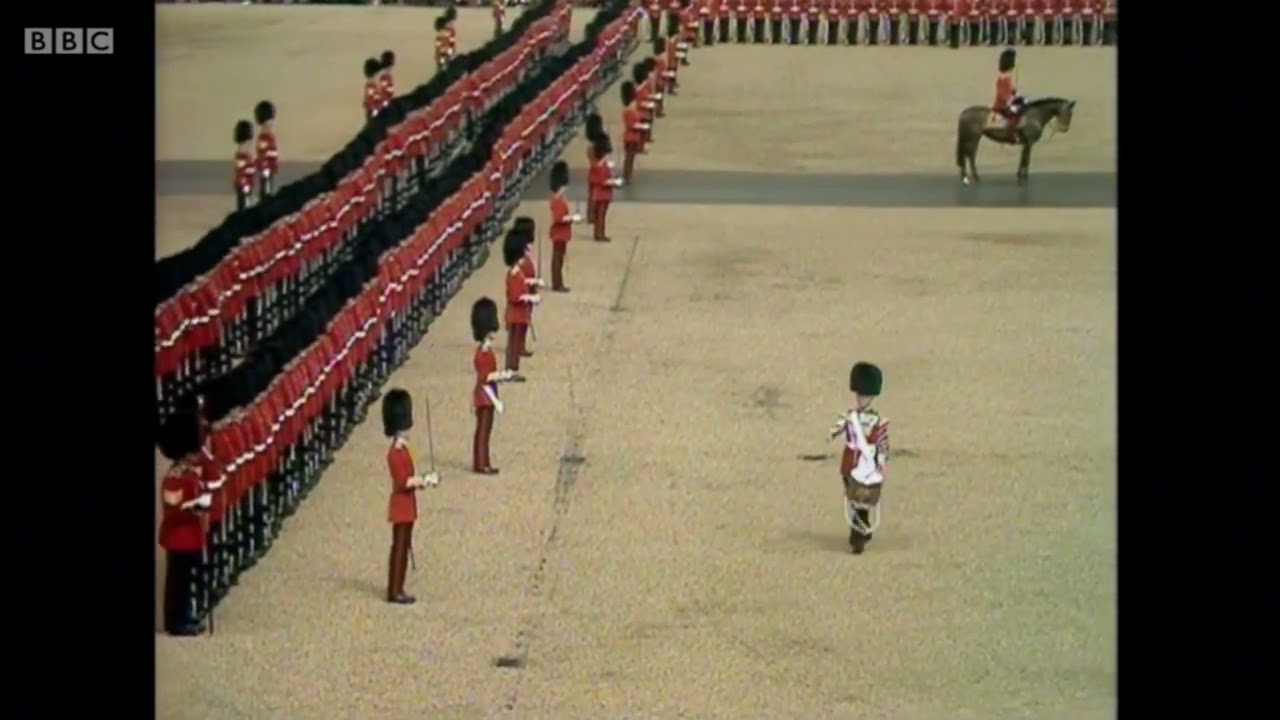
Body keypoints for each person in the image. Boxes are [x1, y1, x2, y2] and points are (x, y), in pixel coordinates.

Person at [158, 408, 214, 636]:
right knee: (177, 582)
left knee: (186, 578)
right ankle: (176, 621)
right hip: (179, 536)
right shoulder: (176, 477)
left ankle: (185, 615)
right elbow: (174, 507)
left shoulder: (189, 473)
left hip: (190, 536)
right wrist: (198, 505)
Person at [382, 388, 440, 605]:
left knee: (403, 546)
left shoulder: (403, 449)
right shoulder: (395, 454)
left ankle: (397, 586)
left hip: (407, 504)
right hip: (401, 505)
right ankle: (395, 589)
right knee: (400, 547)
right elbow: (403, 482)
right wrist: (425, 480)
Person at [828, 362, 890, 554]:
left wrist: (881, 461)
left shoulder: (878, 419)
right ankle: (861, 524)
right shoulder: (850, 416)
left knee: (862, 495)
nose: (861, 399)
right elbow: (836, 429)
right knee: (852, 491)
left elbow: (882, 441)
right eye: (860, 395)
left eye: (865, 395)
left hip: (867, 459)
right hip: (850, 458)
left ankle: (858, 529)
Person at [471, 298, 514, 474]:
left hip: (487, 392)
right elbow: (485, 379)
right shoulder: (482, 353)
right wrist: (496, 400)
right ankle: (481, 463)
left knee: (485, 430)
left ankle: (483, 461)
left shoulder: (486, 350)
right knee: (483, 431)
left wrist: (503, 376)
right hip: (485, 394)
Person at [503, 230, 539, 380]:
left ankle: (513, 369)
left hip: (519, 314)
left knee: (515, 343)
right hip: (515, 314)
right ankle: (510, 371)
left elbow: (523, 284)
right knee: (513, 345)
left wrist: (534, 283)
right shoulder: (513, 274)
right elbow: (515, 297)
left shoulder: (518, 273)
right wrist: (531, 298)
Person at [548, 161, 582, 292]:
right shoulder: (557, 201)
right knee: (557, 259)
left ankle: (558, 282)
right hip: (558, 233)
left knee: (560, 258)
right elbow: (558, 219)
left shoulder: (560, 199)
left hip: (562, 232)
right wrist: (572, 218)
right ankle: (557, 283)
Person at [587, 134, 623, 242]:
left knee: (600, 215)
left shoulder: (599, 165)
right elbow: (603, 181)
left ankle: (598, 233)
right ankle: (600, 234)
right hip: (602, 194)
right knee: (601, 215)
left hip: (600, 194)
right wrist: (614, 182)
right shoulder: (600, 167)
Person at [620, 81, 647, 185]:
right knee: (629, 158)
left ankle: (628, 176)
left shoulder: (632, 107)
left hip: (634, 137)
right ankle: (626, 177)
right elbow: (631, 125)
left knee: (631, 158)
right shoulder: (629, 110)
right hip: (630, 137)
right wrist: (641, 126)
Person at [992, 47, 1024, 135]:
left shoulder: (1007, 76)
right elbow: (1002, 95)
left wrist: (1015, 93)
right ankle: (1011, 133)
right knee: (1016, 111)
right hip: (1002, 106)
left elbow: (1011, 90)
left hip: (1007, 102)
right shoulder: (1004, 78)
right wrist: (1011, 99)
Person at [253, 100, 278, 201]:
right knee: (266, 191)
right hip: (267, 168)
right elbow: (264, 154)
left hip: (269, 168)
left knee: (267, 189)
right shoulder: (265, 137)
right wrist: (265, 167)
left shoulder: (267, 136)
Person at [583, 112, 605, 226]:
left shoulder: (592, 144)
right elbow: (594, 161)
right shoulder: (593, 146)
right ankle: (591, 215)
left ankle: (590, 215)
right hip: (596, 172)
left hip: (593, 172)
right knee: (594, 196)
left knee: (591, 195)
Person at [233, 120, 255, 211]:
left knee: (243, 203)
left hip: (244, 183)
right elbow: (243, 170)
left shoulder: (240, 153)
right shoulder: (242, 155)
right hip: (244, 183)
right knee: (244, 204)